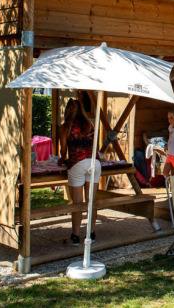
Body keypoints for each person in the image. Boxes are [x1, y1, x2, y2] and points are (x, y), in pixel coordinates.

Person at [59, 97, 101, 245]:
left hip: (77, 163)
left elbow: (63, 151)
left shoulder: (65, 127)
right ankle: (91, 233)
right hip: (95, 162)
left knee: (77, 202)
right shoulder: (90, 125)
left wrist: (61, 159)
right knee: (91, 201)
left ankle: (75, 236)